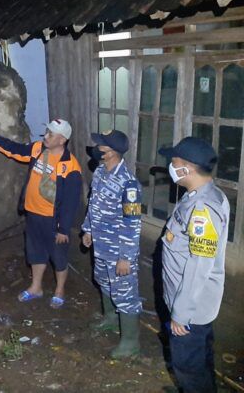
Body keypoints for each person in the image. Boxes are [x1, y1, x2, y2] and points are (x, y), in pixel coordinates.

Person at [0, 119, 82, 308]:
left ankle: (59, 290)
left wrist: (63, 229)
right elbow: (15, 150)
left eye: (51, 134)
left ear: (62, 140)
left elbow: (71, 202)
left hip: (54, 221)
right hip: (33, 215)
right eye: (47, 132)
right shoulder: (37, 149)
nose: (46, 136)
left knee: (59, 256)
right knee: (36, 252)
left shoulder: (70, 166)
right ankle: (36, 287)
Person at [159, 137, 228, 393]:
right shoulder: (204, 195)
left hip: (191, 308)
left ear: (186, 167)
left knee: (188, 366)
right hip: (196, 303)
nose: (171, 166)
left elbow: (199, 264)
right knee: (200, 361)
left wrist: (181, 312)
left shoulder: (202, 207)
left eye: (174, 162)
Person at [81, 130, 142, 358]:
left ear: (112, 152)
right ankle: (110, 319)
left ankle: (130, 343)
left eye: (101, 146)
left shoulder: (129, 184)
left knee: (125, 295)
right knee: (104, 283)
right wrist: (88, 230)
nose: (96, 148)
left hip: (118, 251)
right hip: (102, 246)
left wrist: (125, 257)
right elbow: (93, 205)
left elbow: (132, 224)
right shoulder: (99, 172)